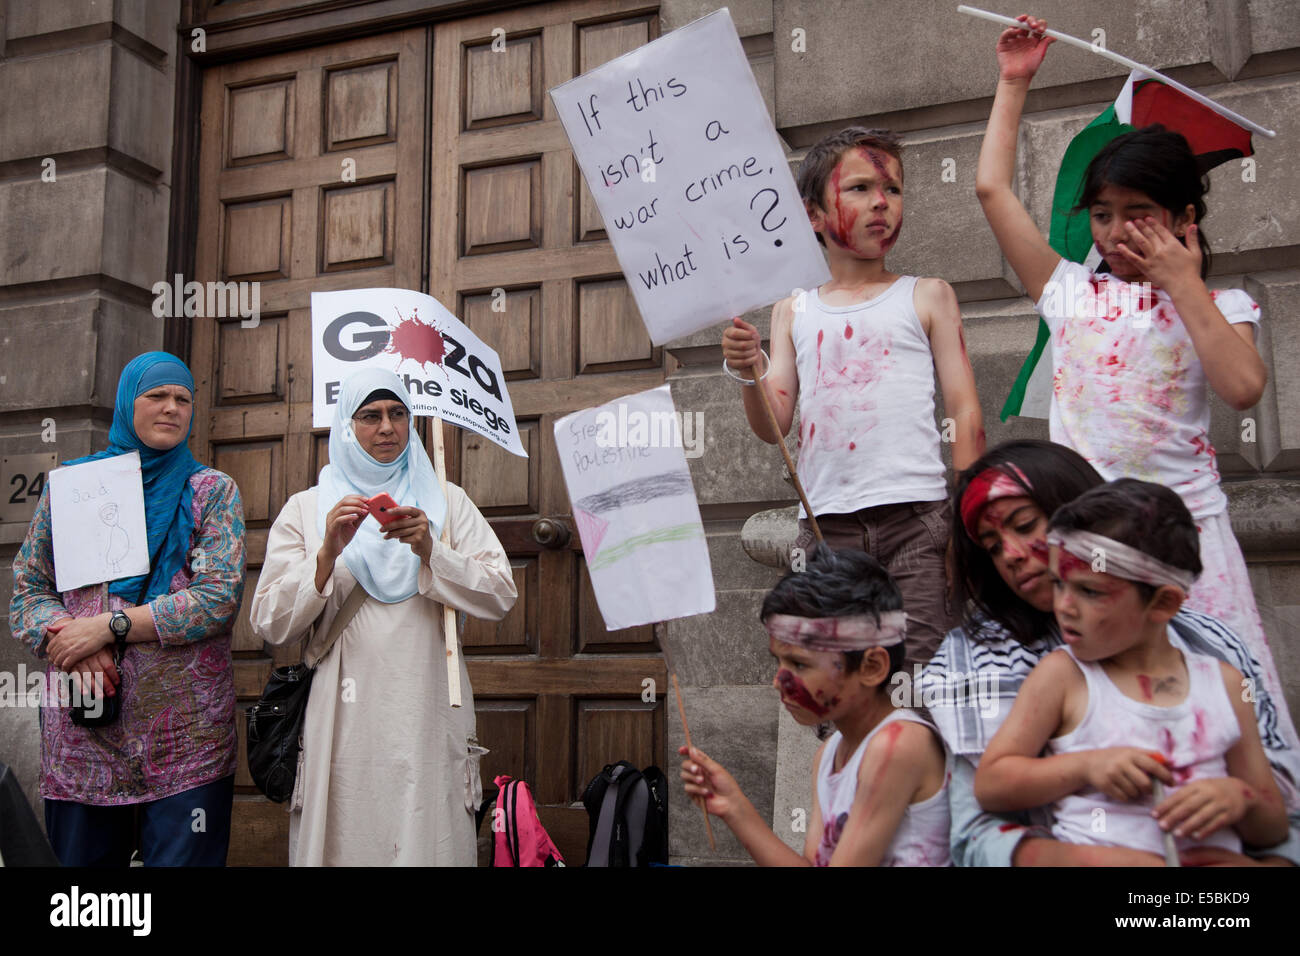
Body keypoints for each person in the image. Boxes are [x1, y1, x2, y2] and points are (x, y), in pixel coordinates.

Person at [974, 14, 1294, 744]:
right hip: (1089, 545)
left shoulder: (1218, 306)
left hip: (1192, 547)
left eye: (1139, 214)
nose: (1116, 233)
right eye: (1103, 215)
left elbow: (1242, 387)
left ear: (1184, 217)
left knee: (1223, 722)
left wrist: (1184, 282)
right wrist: (1013, 82)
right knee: (1110, 727)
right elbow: (992, 190)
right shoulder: (1071, 293)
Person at [922, 439, 1300, 865]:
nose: (1009, 555)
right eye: (991, 546)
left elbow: (1284, 814)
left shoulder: (1212, 649)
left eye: (1025, 525)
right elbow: (978, 834)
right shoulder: (986, 664)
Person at [722, 127, 984, 671]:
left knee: (922, 680)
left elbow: (964, 411)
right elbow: (775, 426)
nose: (881, 203)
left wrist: (966, 521)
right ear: (813, 215)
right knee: (840, 686)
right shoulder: (793, 310)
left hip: (920, 523)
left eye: (893, 188)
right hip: (827, 530)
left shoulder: (928, 294)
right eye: (860, 188)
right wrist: (748, 371)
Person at [249, 368, 516, 866]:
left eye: (397, 414)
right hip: (341, 712)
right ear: (347, 427)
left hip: (428, 705)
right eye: (370, 416)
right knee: (347, 832)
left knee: (425, 829)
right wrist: (327, 554)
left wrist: (432, 550)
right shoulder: (308, 510)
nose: (387, 428)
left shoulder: (446, 501)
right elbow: (268, 621)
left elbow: (501, 593)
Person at [9, 351, 246, 866]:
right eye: (156, 395)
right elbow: (28, 591)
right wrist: (68, 639)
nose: (171, 408)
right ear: (126, 403)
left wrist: (109, 628)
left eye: (183, 399)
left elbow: (216, 598)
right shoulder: (72, 489)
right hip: (84, 739)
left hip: (186, 742)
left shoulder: (211, 492)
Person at [680, 548, 950, 866]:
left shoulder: (898, 745)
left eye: (799, 663)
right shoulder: (828, 754)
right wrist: (733, 807)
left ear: (872, 666)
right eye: (778, 661)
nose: (779, 681)